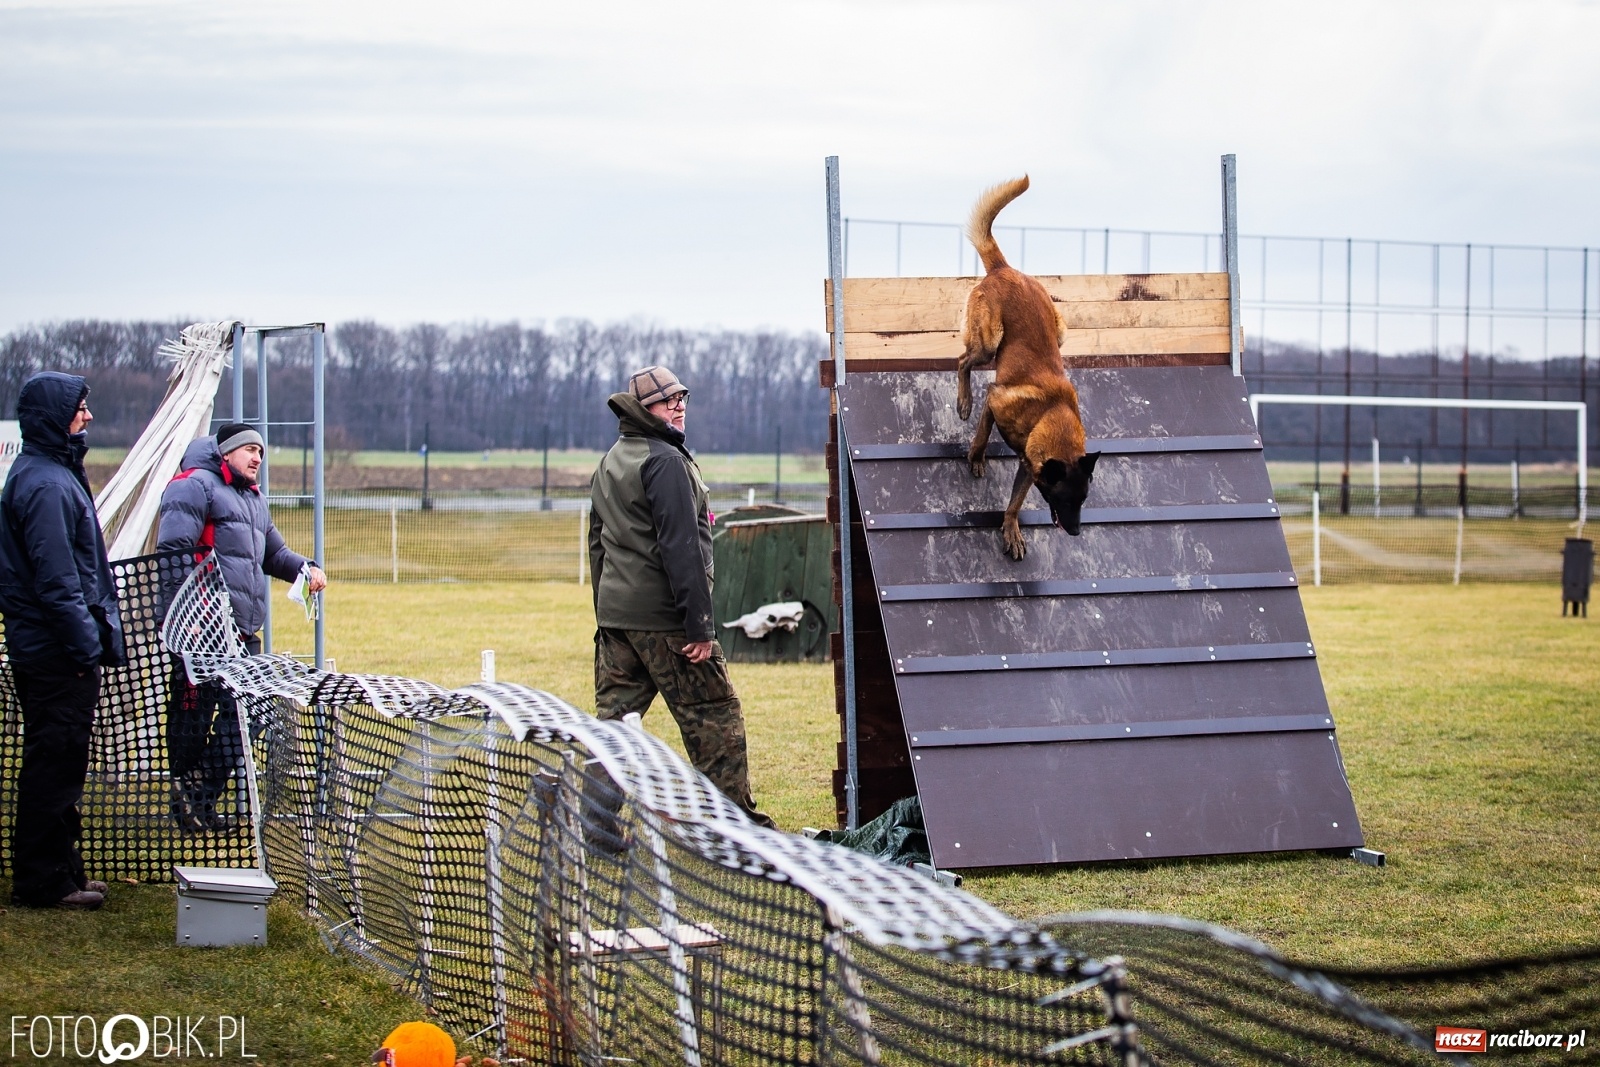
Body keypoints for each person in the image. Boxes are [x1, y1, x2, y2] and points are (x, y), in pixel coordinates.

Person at [589, 366, 775, 828]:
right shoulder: (664, 461)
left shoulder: (612, 460)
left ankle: (594, 820)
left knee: (613, 727)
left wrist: (607, 610)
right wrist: (699, 627)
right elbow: (681, 548)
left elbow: (596, 543)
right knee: (714, 717)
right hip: (667, 621)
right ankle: (735, 831)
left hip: (618, 622)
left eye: (682, 397)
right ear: (642, 410)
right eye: (666, 400)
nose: (678, 405)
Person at [156, 422, 327, 830]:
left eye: (261, 453)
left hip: (243, 635)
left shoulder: (253, 499)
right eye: (250, 449)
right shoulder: (194, 487)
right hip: (202, 632)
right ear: (226, 452)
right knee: (192, 723)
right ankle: (190, 797)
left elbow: (275, 553)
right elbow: (173, 555)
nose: (257, 458)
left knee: (248, 714)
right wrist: (188, 619)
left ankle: (199, 793)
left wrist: (306, 568)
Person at [0, 373, 125, 909]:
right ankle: (43, 880)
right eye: (80, 406)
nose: (88, 415)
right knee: (54, 763)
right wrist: (84, 648)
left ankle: (64, 871)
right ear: (56, 415)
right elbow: (58, 582)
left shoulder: (49, 473)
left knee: (62, 760)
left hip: (52, 648)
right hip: (56, 653)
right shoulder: (47, 484)